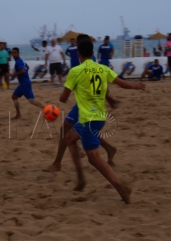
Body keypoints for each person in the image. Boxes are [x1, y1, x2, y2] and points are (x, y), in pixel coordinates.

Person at [59, 40, 145, 203]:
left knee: (94, 159)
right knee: (69, 138)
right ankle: (82, 178)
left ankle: (121, 188)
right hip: (100, 117)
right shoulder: (103, 68)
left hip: (88, 120)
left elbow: (63, 99)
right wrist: (135, 86)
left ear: (78, 55)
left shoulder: (75, 71)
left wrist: (67, 95)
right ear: (93, 54)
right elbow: (122, 84)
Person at [45, 34, 119, 173]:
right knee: (86, 131)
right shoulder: (86, 58)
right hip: (85, 102)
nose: (75, 46)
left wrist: (108, 98)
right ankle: (109, 149)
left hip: (86, 104)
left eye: (76, 43)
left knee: (67, 129)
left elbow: (98, 84)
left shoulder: (90, 60)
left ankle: (57, 163)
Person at [9, 47, 44, 119]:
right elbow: (27, 67)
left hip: (25, 84)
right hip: (23, 84)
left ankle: (46, 109)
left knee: (32, 101)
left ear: (18, 53)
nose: (14, 54)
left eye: (15, 53)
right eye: (13, 53)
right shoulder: (20, 60)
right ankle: (18, 115)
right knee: (14, 97)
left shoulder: (18, 61)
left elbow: (22, 71)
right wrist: (24, 76)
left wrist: (13, 75)